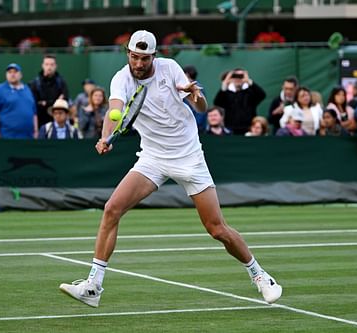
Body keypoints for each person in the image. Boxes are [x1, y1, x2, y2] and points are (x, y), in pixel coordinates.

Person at [59, 30, 282, 308]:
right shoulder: (121, 79)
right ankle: (93, 285)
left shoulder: (170, 68)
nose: (138, 63)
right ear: (128, 53)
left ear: (153, 56)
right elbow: (114, 110)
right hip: (152, 158)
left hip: (189, 157)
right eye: (134, 57)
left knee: (216, 229)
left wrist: (194, 94)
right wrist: (106, 137)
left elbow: (200, 107)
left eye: (144, 58)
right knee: (112, 209)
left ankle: (259, 275)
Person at [0, 63, 38, 139]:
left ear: (21, 75)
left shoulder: (27, 89)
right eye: (9, 72)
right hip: (7, 136)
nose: (12, 74)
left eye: (15, 72)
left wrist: (36, 131)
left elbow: (34, 113)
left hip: (28, 137)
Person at [213, 68, 266, 135]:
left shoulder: (250, 92)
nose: (238, 79)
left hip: (248, 129)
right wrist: (225, 83)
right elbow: (217, 102)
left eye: (241, 76)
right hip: (230, 129)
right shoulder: (227, 93)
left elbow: (262, 95)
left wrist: (249, 81)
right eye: (235, 76)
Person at [30, 55, 70, 126]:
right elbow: (34, 104)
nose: (49, 67)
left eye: (52, 64)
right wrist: (56, 101)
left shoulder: (61, 82)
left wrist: (45, 103)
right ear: (42, 65)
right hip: (40, 122)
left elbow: (65, 101)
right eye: (47, 64)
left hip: (58, 123)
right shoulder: (35, 83)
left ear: (56, 66)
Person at [183, 65, 207, 132]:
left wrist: (195, 125)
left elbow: (200, 111)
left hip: (194, 128)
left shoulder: (196, 88)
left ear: (187, 74)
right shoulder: (185, 88)